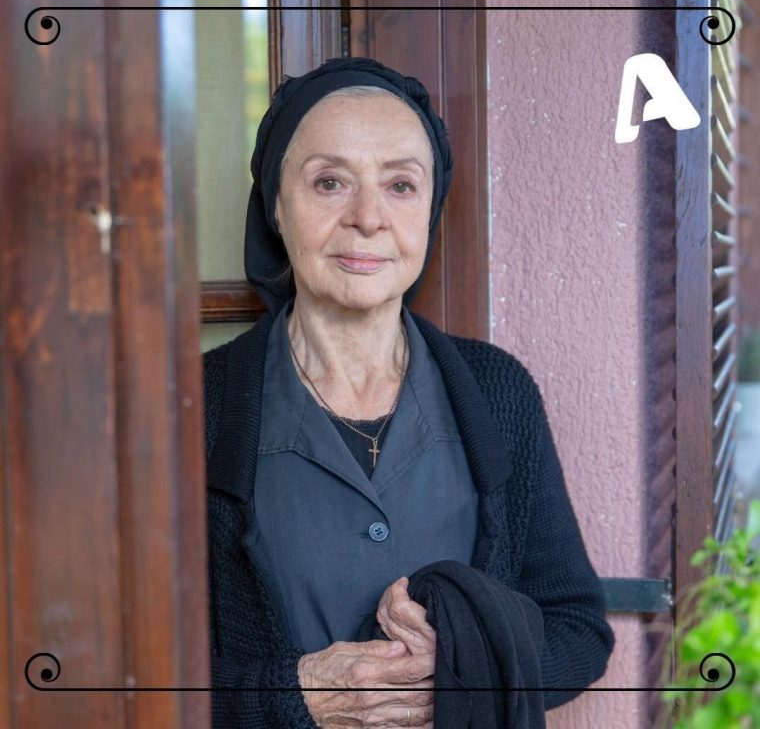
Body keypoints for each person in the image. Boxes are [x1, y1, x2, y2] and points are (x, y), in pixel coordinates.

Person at [204, 57, 614, 729]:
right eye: (329, 182)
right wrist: (295, 694)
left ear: (430, 209)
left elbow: (578, 631)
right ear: (276, 204)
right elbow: (126, 671)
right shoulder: (195, 408)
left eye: (400, 185)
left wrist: (469, 667)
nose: (367, 218)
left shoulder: (497, 392)